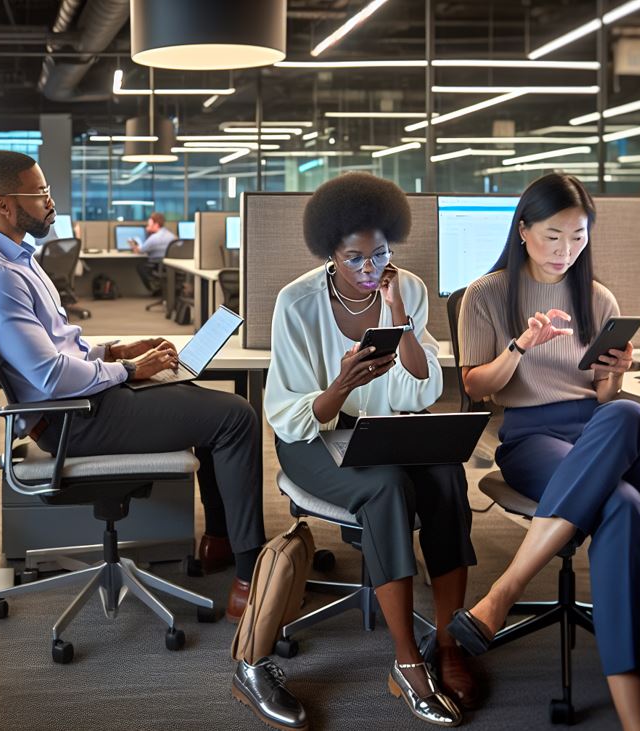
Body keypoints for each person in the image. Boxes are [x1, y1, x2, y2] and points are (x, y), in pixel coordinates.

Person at [0, 150, 266, 620]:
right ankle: (251, 577)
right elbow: (51, 376)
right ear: (3, 204)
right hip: (73, 420)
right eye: (40, 194)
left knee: (207, 407)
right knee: (236, 417)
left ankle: (221, 541)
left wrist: (116, 352)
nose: (50, 202)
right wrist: (129, 372)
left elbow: (60, 351)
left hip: (83, 401)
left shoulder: (16, 259)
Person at [258, 172, 473, 728]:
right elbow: (293, 412)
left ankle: (448, 642)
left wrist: (397, 314)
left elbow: (420, 388)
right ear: (330, 253)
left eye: (379, 255)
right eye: (355, 259)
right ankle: (406, 663)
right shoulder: (296, 302)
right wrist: (343, 385)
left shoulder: (409, 290)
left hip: (382, 428)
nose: (369, 269)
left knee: (448, 475)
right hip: (312, 434)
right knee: (387, 488)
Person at [448, 173, 640, 731]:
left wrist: (612, 377)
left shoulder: (599, 298)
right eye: (553, 236)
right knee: (624, 507)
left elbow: (604, 399)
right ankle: (637, 722)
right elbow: (477, 387)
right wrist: (521, 346)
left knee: (628, 411)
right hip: (531, 438)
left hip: (600, 430)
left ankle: (504, 591)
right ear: (522, 232)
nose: (567, 250)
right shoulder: (486, 294)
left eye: (578, 237)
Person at [130, 212, 177, 295]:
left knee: (140, 267)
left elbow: (140, 250)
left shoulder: (154, 238)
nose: (148, 226)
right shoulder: (172, 236)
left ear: (156, 224)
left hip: (157, 266)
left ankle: (155, 288)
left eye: (149, 224)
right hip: (172, 267)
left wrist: (132, 244)